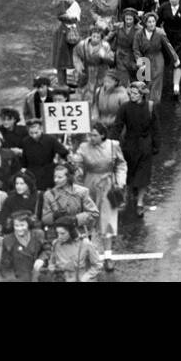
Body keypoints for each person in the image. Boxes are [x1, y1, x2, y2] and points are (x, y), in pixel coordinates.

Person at [74, 122, 127, 271]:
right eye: (89, 134)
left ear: (103, 135)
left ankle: (108, 257)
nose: (91, 138)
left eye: (95, 135)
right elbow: (76, 164)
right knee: (87, 221)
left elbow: (121, 165)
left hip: (107, 187)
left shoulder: (113, 145)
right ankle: (86, 254)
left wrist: (120, 182)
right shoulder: (83, 147)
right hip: (88, 185)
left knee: (107, 220)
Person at [118, 81, 158, 215]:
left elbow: (156, 128)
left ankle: (140, 203)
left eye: (135, 93)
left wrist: (157, 145)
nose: (132, 96)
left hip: (145, 145)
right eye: (130, 93)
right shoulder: (124, 108)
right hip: (129, 145)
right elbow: (118, 126)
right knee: (130, 174)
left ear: (142, 95)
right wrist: (111, 142)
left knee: (143, 176)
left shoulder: (150, 107)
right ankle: (130, 194)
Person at [20, 118, 68, 193]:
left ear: (41, 129)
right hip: (32, 172)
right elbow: (24, 159)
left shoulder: (50, 139)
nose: (34, 135)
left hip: (48, 172)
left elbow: (63, 152)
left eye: (36, 132)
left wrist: (64, 161)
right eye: (31, 133)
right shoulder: (25, 141)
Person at [0, 211, 47, 282]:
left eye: (22, 225)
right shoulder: (7, 240)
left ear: (28, 224)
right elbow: (5, 265)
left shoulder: (38, 234)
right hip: (19, 278)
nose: (19, 229)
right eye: (16, 225)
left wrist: (41, 259)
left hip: (38, 275)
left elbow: (47, 250)